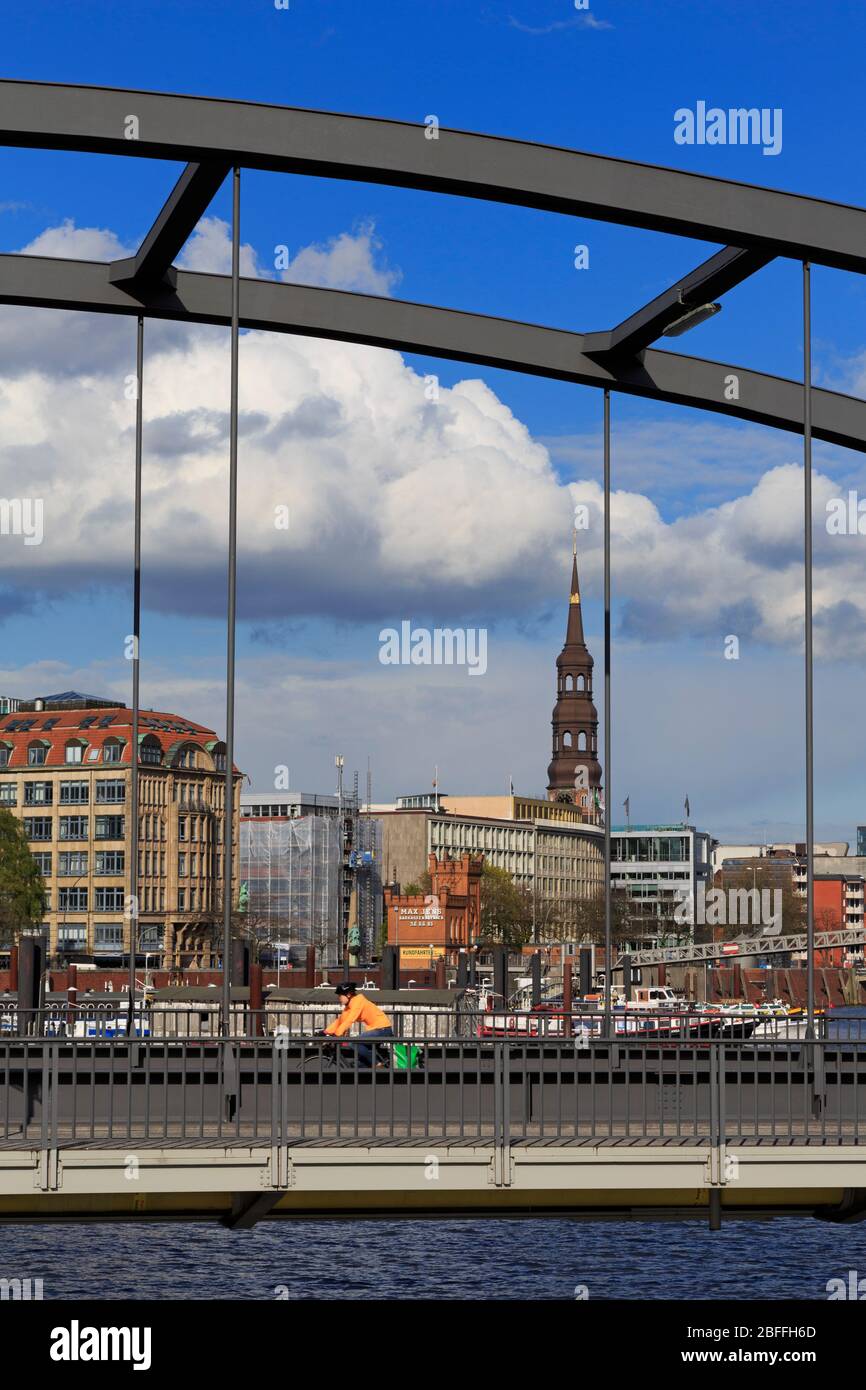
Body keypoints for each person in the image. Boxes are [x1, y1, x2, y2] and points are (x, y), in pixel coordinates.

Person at [322, 983, 394, 1068]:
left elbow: (350, 1019)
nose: (339, 998)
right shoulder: (349, 1006)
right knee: (359, 1065)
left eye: (340, 996)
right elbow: (340, 1020)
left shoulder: (358, 1001)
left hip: (382, 1029)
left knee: (354, 1042)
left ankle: (377, 1063)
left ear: (348, 995)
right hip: (377, 1030)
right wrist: (325, 1032)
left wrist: (337, 1034)